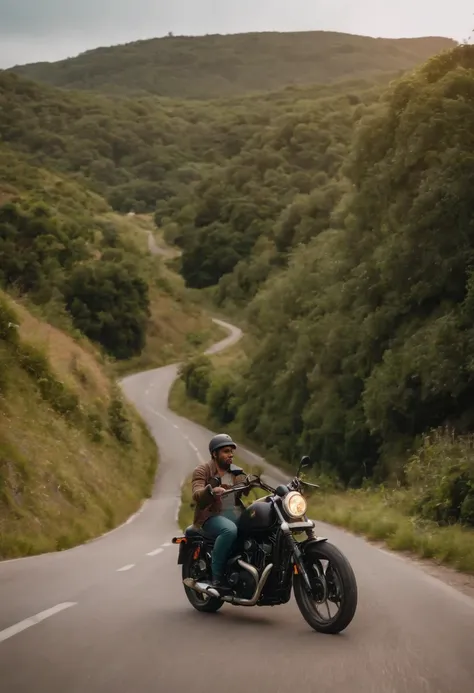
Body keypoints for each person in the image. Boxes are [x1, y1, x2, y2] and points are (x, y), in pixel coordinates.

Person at [190, 433, 250, 593]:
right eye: (225, 451)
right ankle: (217, 577)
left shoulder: (236, 472)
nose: (230, 454)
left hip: (234, 514)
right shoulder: (203, 470)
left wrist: (249, 483)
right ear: (214, 454)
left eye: (231, 451)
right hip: (210, 516)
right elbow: (196, 493)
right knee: (229, 530)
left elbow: (245, 483)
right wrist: (210, 491)